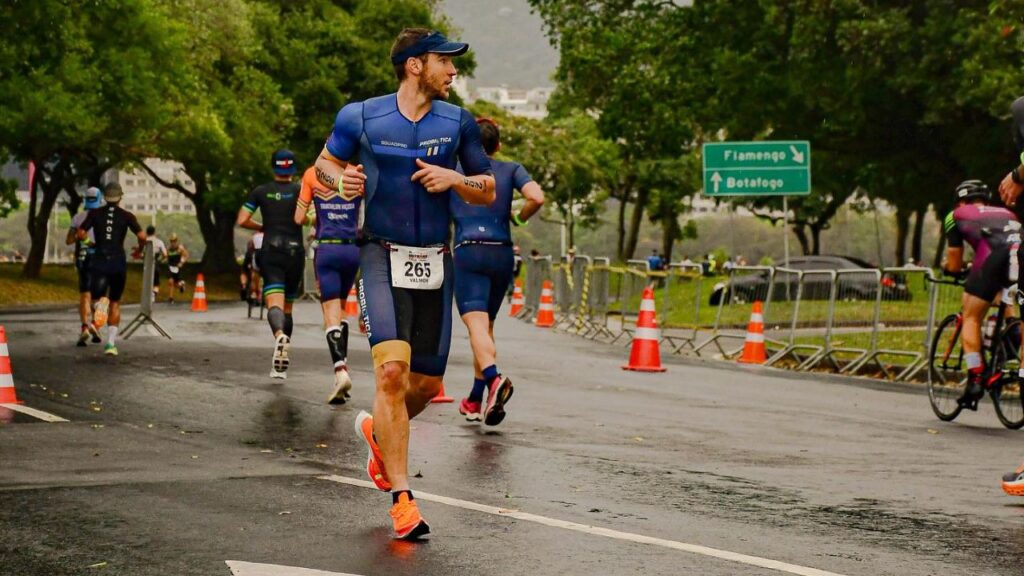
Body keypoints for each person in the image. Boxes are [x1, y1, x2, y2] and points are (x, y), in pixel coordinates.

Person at [313, 28, 495, 539]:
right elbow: (322, 167)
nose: (454, 71)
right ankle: (402, 500)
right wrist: (340, 181)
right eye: (446, 61)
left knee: (426, 385)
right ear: (416, 65)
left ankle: (378, 431)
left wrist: (454, 179)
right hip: (379, 253)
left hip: (436, 260)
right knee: (392, 374)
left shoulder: (458, 122)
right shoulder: (361, 116)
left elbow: (486, 188)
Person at [452, 118, 544, 425]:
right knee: (487, 328)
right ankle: (476, 399)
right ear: (498, 146)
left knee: (476, 328)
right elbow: (537, 197)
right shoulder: (511, 169)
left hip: (470, 251)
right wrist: (518, 219)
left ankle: (493, 380)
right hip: (502, 253)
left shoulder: (454, 172)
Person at [942, 180, 1021, 410]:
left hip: (992, 258)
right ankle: (1011, 329)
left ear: (960, 200)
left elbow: (955, 260)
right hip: (1018, 257)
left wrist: (951, 270)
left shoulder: (955, 214)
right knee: (1003, 292)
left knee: (971, 316)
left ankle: (976, 375)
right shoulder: (1007, 212)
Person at [294, 165, 361, 404]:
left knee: (330, 314)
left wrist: (314, 216)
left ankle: (340, 371)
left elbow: (299, 218)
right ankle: (343, 368)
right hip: (352, 250)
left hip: (328, 249)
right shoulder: (358, 172)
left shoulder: (312, 174)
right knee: (342, 311)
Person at [237, 150, 303, 379]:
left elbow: (242, 219)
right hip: (295, 251)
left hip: (271, 250)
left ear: (273, 167)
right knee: (288, 308)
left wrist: (262, 227)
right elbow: (307, 216)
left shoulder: (260, 191)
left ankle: (278, 337)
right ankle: (281, 365)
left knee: (274, 302)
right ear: (293, 169)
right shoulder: (300, 190)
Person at [76, 183, 146, 356]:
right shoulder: (127, 216)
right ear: (120, 197)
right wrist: (139, 250)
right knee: (115, 301)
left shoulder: (94, 213)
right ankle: (110, 344)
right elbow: (142, 236)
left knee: (96, 298)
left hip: (99, 260)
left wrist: (89, 244)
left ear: (104, 198)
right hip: (118, 261)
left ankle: (100, 309)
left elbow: (80, 233)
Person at [66, 186, 103, 346]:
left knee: (85, 295)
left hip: (83, 258)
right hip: (101, 259)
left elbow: (69, 240)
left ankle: (84, 328)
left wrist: (80, 236)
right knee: (100, 298)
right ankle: (96, 326)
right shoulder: (104, 218)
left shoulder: (78, 218)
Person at [143, 226, 168, 301]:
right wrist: (160, 260)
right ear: (154, 232)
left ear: (146, 232)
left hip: (147, 264)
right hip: (155, 262)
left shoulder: (144, 241)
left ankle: (148, 295)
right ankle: (154, 293)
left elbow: (141, 253)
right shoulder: (159, 242)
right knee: (156, 282)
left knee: (147, 281)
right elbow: (165, 254)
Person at [164, 233, 190, 302]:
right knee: (170, 282)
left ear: (176, 241)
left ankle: (181, 286)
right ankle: (171, 298)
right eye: (171, 241)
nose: (173, 243)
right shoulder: (168, 248)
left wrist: (182, 262)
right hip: (170, 267)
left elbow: (186, 255)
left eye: (174, 241)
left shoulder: (180, 248)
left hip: (177, 267)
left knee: (176, 283)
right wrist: (164, 259)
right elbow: (165, 256)